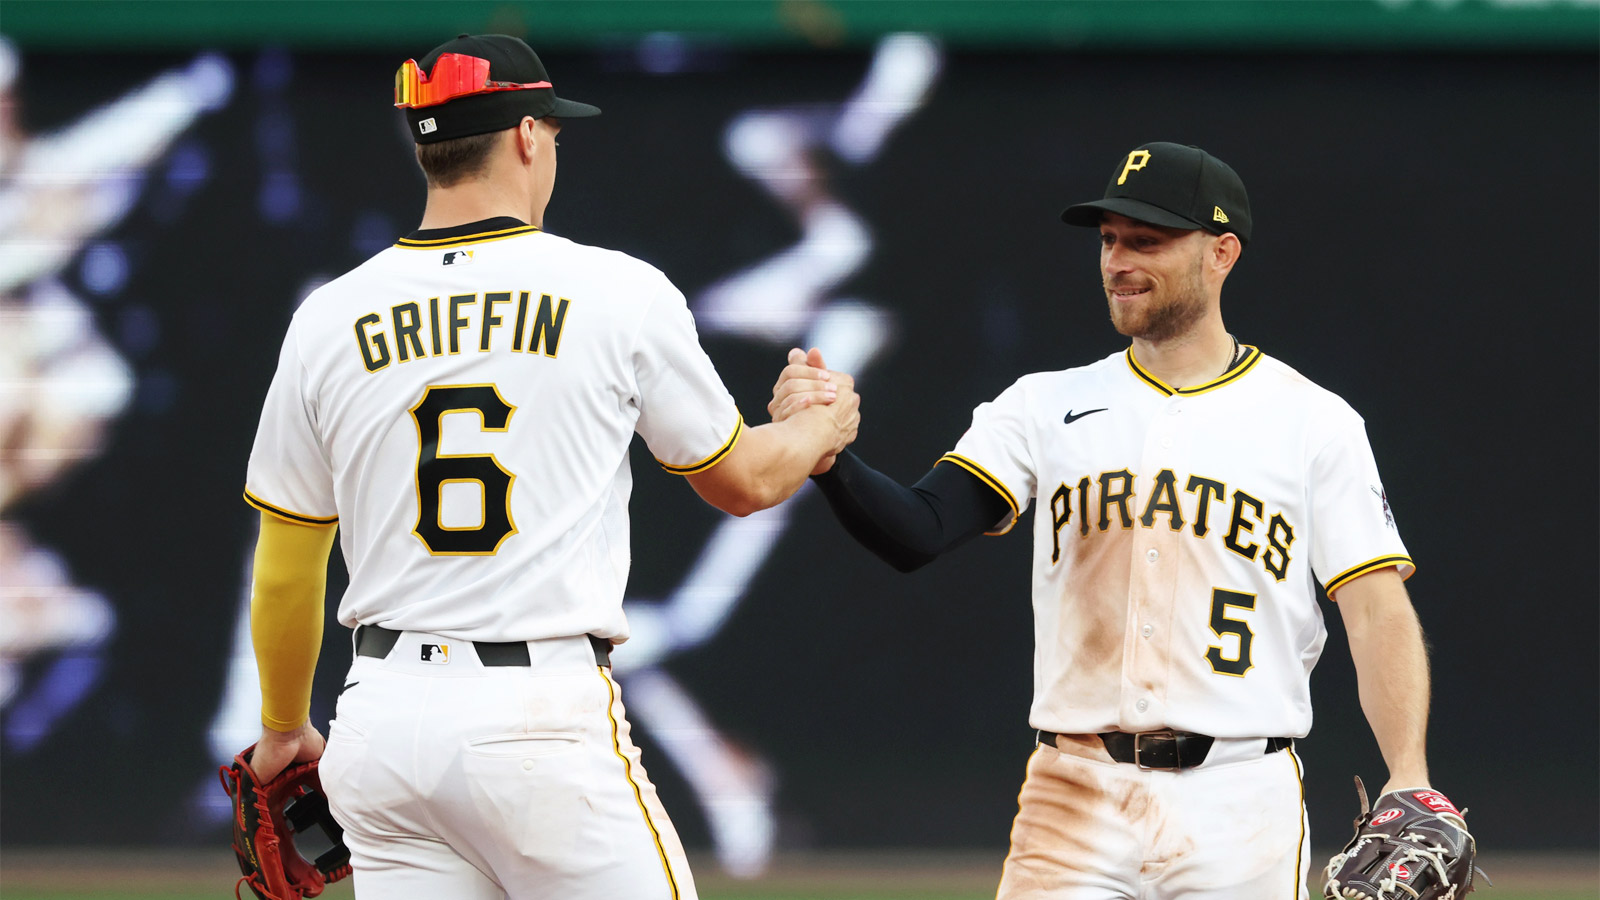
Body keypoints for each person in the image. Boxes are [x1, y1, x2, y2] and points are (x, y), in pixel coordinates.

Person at [239, 34, 857, 900]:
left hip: (378, 721)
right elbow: (745, 482)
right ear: (527, 134)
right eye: (555, 132)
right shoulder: (614, 290)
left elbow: (289, 556)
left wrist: (279, 728)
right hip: (534, 721)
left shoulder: (328, 317)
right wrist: (819, 425)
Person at [770, 142, 1457, 899]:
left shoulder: (1312, 421)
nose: (1118, 260)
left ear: (1222, 252)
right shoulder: (1042, 405)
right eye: (1109, 239)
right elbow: (916, 530)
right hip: (1074, 791)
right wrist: (829, 458)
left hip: (1242, 799)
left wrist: (1409, 775)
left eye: (1148, 240)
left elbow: (1376, 609)